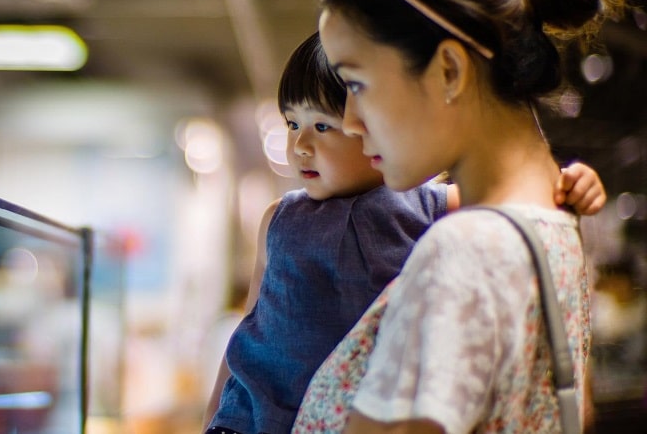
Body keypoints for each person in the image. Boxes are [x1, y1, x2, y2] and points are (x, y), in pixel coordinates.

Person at [291, 0, 628, 434]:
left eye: (356, 85)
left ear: (448, 69)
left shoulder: (466, 251)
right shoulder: (555, 230)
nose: (352, 122)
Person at [203, 29, 607, 434]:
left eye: (323, 127)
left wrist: (576, 182)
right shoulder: (279, 218)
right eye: (292, 123)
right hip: (250, 421)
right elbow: (251, 326)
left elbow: (521, 193)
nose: (301, 145)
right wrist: (213, 414)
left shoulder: (431, 204)